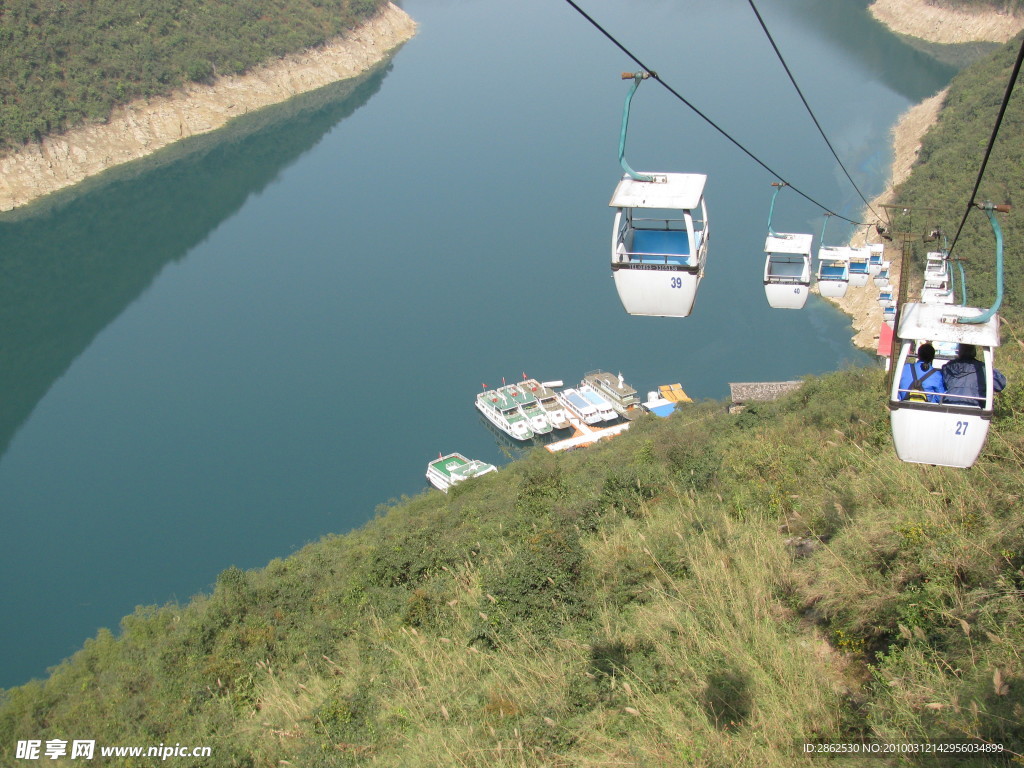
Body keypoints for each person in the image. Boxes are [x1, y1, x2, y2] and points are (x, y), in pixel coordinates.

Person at [941, 343, 1006, 407]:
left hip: (950, 403)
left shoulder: (947, 367)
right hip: (975, 405)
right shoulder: (983, 368)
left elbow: (942, 386)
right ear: (973, 351)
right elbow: (999, 385)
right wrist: (993, 370)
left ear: (959, 351)